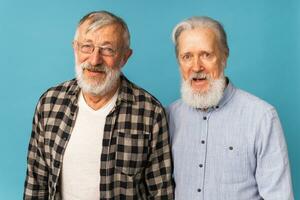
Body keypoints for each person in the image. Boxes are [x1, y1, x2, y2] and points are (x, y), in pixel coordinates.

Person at [24, 11, 174, 199]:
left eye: (107, 49)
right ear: (75, 49)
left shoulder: (149, 112)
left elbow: (161, 192)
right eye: (87, 47)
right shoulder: (50, 104)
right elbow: (36, 184)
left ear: (125, 57)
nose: (95, 60)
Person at [167, 16, 294, 200]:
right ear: (179, 63)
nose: (196, 66)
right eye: (187, 57)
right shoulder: (168, 116)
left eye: (206, 55)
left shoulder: (262, 117)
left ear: (224, 56)